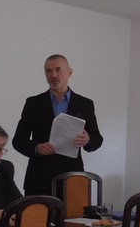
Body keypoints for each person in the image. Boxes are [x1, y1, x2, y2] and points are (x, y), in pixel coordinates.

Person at [12, 54, 103, 196]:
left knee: (74, 212)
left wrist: (88, 139)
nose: (53, 75)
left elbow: (97, 139)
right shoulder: (33, 103)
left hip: (72, 178)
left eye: (58, 70)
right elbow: (18, 141)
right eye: (48, 71)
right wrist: (37, 148)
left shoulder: (85, 104)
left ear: (69, 72)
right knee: (37, 212)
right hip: (39, 179)